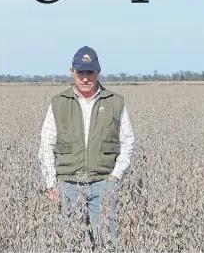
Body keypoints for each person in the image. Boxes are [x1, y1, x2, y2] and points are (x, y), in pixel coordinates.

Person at [38, 46, 135, 250]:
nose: (85, 78)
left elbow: (128, 143)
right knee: (69, 242)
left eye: (89, 72)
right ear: (72, 72)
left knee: (108, 242)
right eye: (80, 72)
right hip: (68, 184)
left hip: (103, 182)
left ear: (98, 72)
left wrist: (114, 178)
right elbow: (46, 144)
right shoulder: (58, 102)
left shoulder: (115, 102)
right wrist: (51, 184)